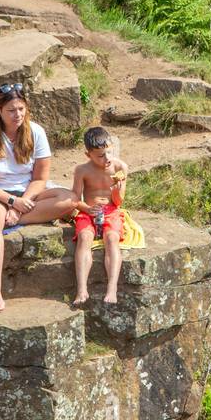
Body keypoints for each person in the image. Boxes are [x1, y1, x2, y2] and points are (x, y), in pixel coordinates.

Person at [0, 82, 79, 313]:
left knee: (70, 199)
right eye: (11, 110)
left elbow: (40, 178)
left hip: (28, 193)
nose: (17, 114)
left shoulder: (36, 132)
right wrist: (11, 201)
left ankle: (15, 219)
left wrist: (20, 206)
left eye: (21, 108)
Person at [68, 126, 128, 306]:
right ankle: (81, 288)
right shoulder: (82, 170)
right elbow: (75, 199)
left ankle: (112, 287)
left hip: (111, 211)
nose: (107, 158)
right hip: (89, 210)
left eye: (109, 152)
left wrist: (117, 190)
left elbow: (118, 202)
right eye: (100, 155)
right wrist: (87, 209)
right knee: (85, 237)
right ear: (89, 155)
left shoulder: (120, 167)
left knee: (112, 238)